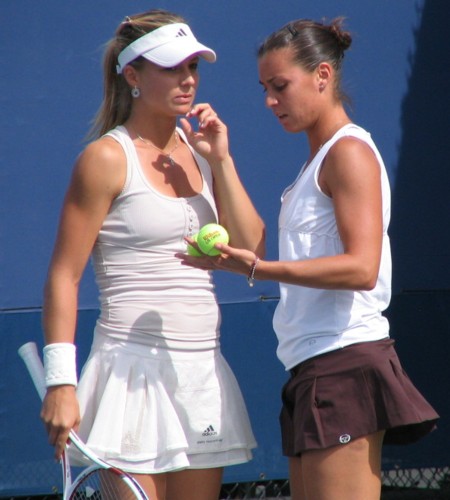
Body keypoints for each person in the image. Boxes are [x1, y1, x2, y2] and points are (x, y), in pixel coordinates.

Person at [180, 17, 439, 500]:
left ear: (322, 75)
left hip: (344, 364)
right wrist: (220, 160)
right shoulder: (313, 167)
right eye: (264, 89)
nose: (270, 101)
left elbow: (362, 268)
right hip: (313, 369)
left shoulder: (349, 153)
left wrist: (257, 270)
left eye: (280, 86)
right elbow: (254, 248)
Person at [40, 9, 265, 500]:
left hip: (202, 371)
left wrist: (221, 160)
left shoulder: (206, 150)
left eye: (192, 68)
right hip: (128, 372)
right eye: (171, 67)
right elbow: (63, 275)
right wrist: (62, 382)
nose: (186, 79)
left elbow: (250, 249)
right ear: (133, 75)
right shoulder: (104, 159)